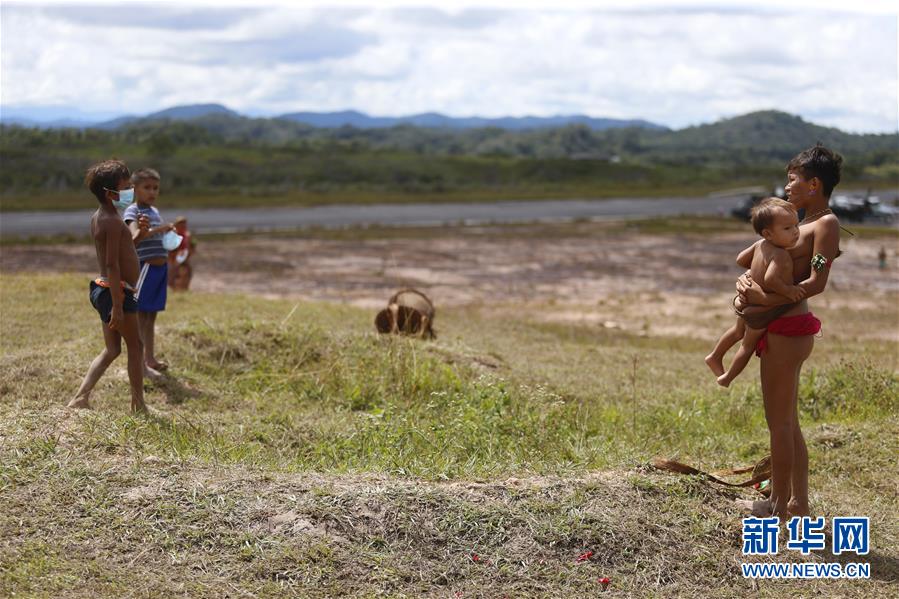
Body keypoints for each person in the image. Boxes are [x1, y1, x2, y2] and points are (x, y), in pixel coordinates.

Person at [735, 144, 843, 519]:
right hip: (781, 326)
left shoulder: (825, 224)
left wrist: (761, 300)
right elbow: (760, 265)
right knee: (788, 423)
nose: (787, 187)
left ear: (814, 184)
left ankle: (776, 505)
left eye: (793, 179)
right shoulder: (798, 222)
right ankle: (798, 503)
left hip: (788, 329)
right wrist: (746, 284)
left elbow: (816, 282)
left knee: (778, 423)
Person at [68, 159, 148, 413]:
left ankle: (80, 398)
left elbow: (121, 251)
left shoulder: (102, 216)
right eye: (125, 187)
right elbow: (112, 264)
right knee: (136, 346)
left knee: (112, 349)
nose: (130, 191)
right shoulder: (112, 221)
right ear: (110, 192)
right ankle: (138, 404)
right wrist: (118, 304)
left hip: (104, 288)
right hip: (115, 292)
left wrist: (140, 236)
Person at [706, 198, 805, 387]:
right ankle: (727, 378)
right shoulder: (781, 255)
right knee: (747, 345)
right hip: (760, 309)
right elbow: (771, 279)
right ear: (768, 233)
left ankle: (715, 356)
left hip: (745, 301)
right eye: (787, 228)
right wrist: (788, 290)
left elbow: (740, 259)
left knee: (737, 331)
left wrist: (753, 269)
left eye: (796, 225)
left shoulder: (760, 244)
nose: (795, 232)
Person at [123, 168, 174, 374]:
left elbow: (155, 237)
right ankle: (139, 364)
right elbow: (134, 235)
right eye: (147, 187)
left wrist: (168, 234)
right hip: (144, 268)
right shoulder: (132, 211)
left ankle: (150, 359)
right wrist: (161, 229)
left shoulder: (154, 212)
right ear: (134, 189)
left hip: (159, 270)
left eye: (155, 188)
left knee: (151, 316)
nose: (152, 192)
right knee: (140, 316)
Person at [168, 216, 195, 291]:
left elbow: (192, 246)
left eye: (184, 224)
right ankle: (174, 289)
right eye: (181, 224)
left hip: (185, 258)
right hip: (174, 259)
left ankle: (185, 288)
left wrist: (189, 254)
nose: (183, 226)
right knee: (173, 274)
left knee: (187, 273)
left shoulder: (188, 235)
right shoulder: (173, 235)